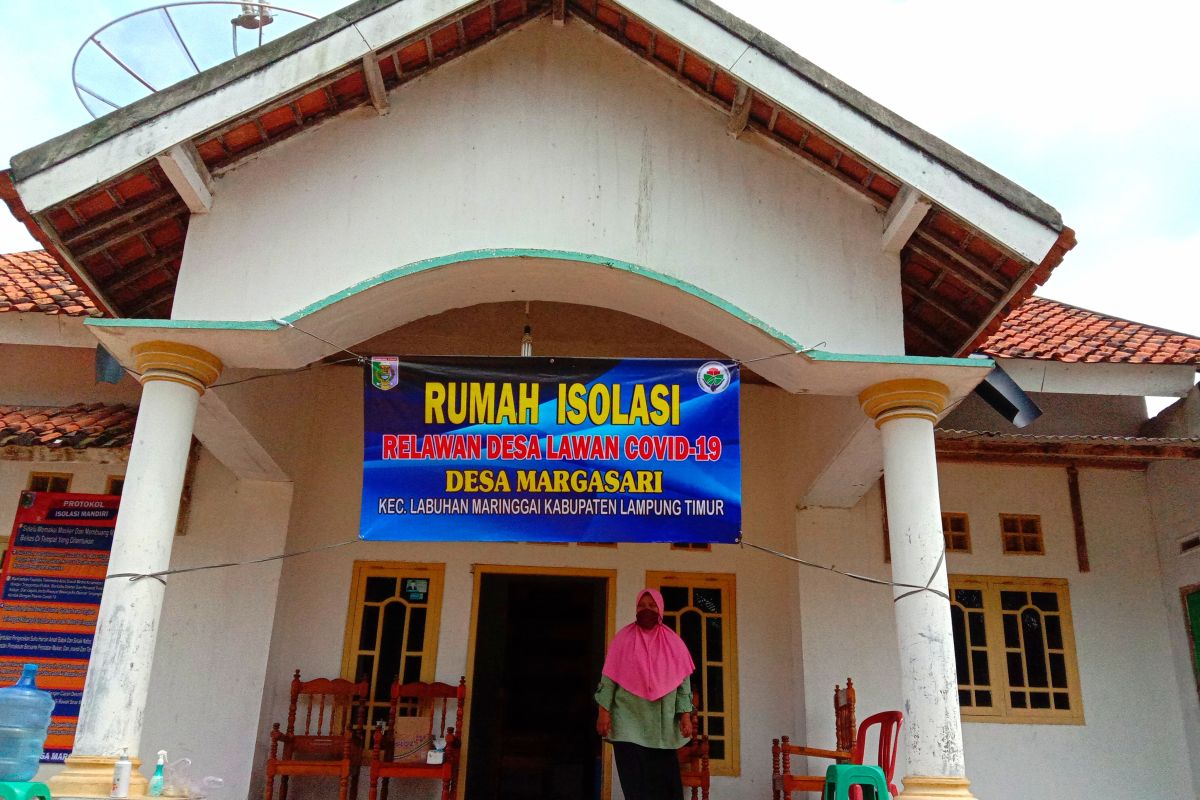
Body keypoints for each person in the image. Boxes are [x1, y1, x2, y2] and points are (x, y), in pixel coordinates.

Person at [595, 588, 696, 800]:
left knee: (666, 789)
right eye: (641, 606)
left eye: (652, 606)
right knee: (635, 789)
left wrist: (685, 716)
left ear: (661, 609)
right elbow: (609, 678)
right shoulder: (622, 639)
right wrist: (603, 712)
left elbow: (683, 684)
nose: (646, 610)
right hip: (628, 723)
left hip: (661, 726)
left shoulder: (674, 643)